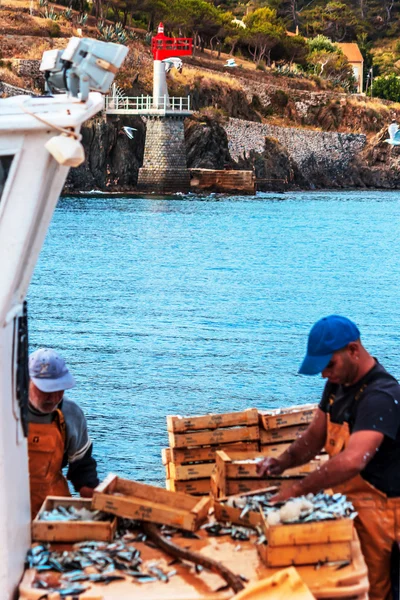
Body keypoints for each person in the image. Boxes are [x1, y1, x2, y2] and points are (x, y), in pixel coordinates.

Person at [257, 315, 400, 600]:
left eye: (329, 365)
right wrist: (282, 462)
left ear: (353, 350)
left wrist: (297, 491)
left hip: (386, 520)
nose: (324, 374)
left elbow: (353, 460)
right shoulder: (338, 385)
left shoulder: (381, 396)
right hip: (351, 510)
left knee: (377, 591)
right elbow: (315, 437)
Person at [28, 348, 99, 518]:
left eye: (60, 389)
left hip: (53, 511)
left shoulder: (71, 413)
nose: (53, 398)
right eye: (46, 390)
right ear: (28, 381)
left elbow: (82, 468)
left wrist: (101, 506)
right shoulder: (8, 411)